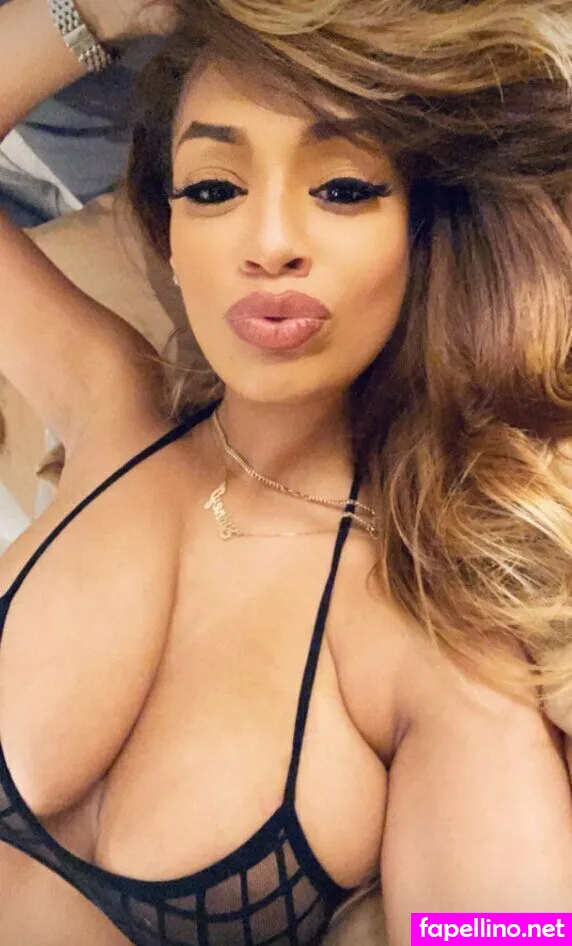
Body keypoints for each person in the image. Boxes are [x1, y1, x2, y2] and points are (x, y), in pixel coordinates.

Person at [0, 2, 571, 946]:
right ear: (169, 235)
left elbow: (501, 932)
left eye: (342, 188)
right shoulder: (112, 408)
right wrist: (99, 11)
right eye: (212, 188)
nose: (268, 242)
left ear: (420, 234)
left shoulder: (436, 653)